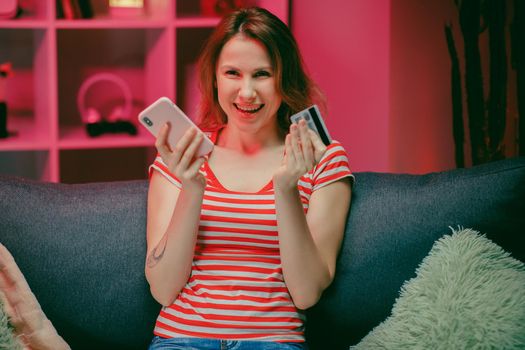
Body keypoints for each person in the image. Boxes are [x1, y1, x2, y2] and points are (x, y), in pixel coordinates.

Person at [145, 6, 353, 350]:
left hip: (272, 342)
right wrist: (193, 187)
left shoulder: (321, 159)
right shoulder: (180, 157)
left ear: (284, 79)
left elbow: (306, 293)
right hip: (182, 339)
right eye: (232, 73)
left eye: (262, 74)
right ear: (214, 77)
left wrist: (286, 188)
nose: (246, 92)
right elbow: (163, 289)